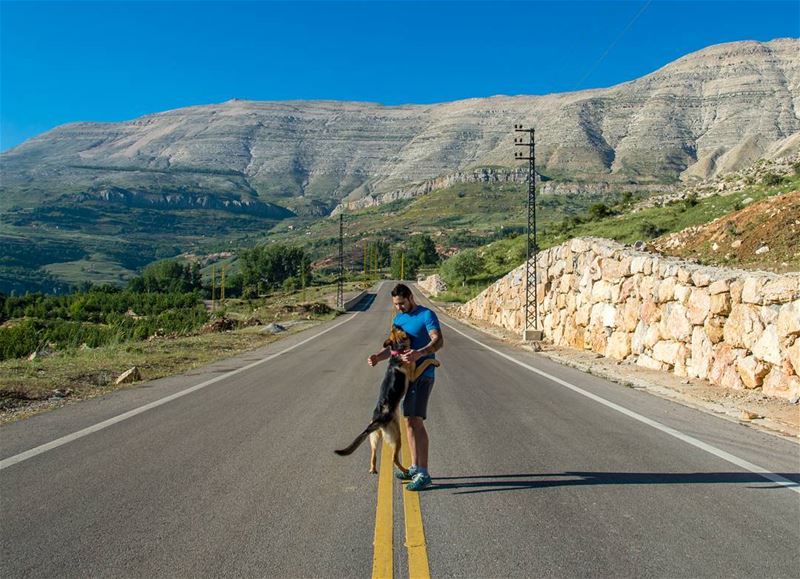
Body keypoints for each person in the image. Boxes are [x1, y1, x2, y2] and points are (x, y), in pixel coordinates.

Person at [367, 283, 444, 491]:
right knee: (408, 423)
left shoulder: (426, 315)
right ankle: (414, 466)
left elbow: (438, 341)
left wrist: (421, 352)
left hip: (423, 375)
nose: (399, 307)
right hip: (404, 378)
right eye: (396, 304)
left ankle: (424, 473)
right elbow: (392, 349)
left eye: (401, 303)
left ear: (410, 297)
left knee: (416, 421)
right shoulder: (398, 319)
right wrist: (378, 357)